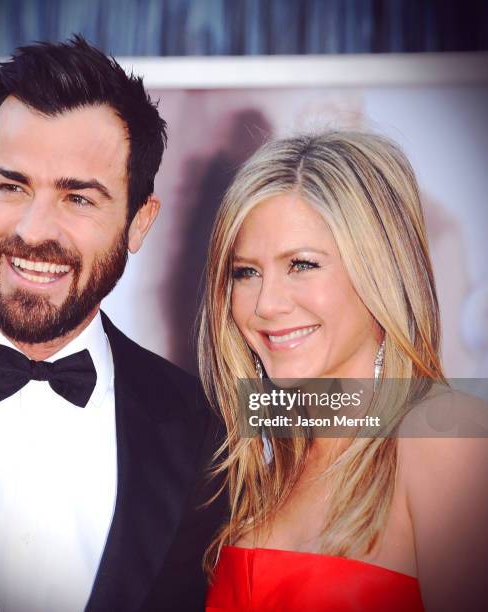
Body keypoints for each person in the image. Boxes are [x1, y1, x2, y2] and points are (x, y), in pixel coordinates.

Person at [0, 35, 225, 612]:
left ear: (139, 223)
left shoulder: (204, 431)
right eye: (12, 186)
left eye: (78, 198)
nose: (35, 230)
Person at [198, 132, 488, 611]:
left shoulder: (446, 438)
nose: (266, 304)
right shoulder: (257, 474)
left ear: (381, 272)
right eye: (246, 272)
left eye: (302, 264)